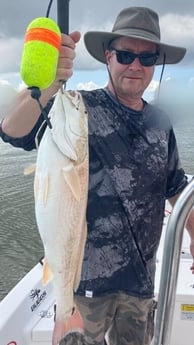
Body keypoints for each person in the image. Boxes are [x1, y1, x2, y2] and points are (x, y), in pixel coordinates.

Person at [1, 6, 194, 345]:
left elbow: (177, 189)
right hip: (82, 284)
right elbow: (14, 131)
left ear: (155, 65)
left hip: (140, 285)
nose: (135, 65)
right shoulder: (76, 107)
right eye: (125, 54)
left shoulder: (161, 124)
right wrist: (45, 85)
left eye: (147, 58)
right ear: (108, 57)